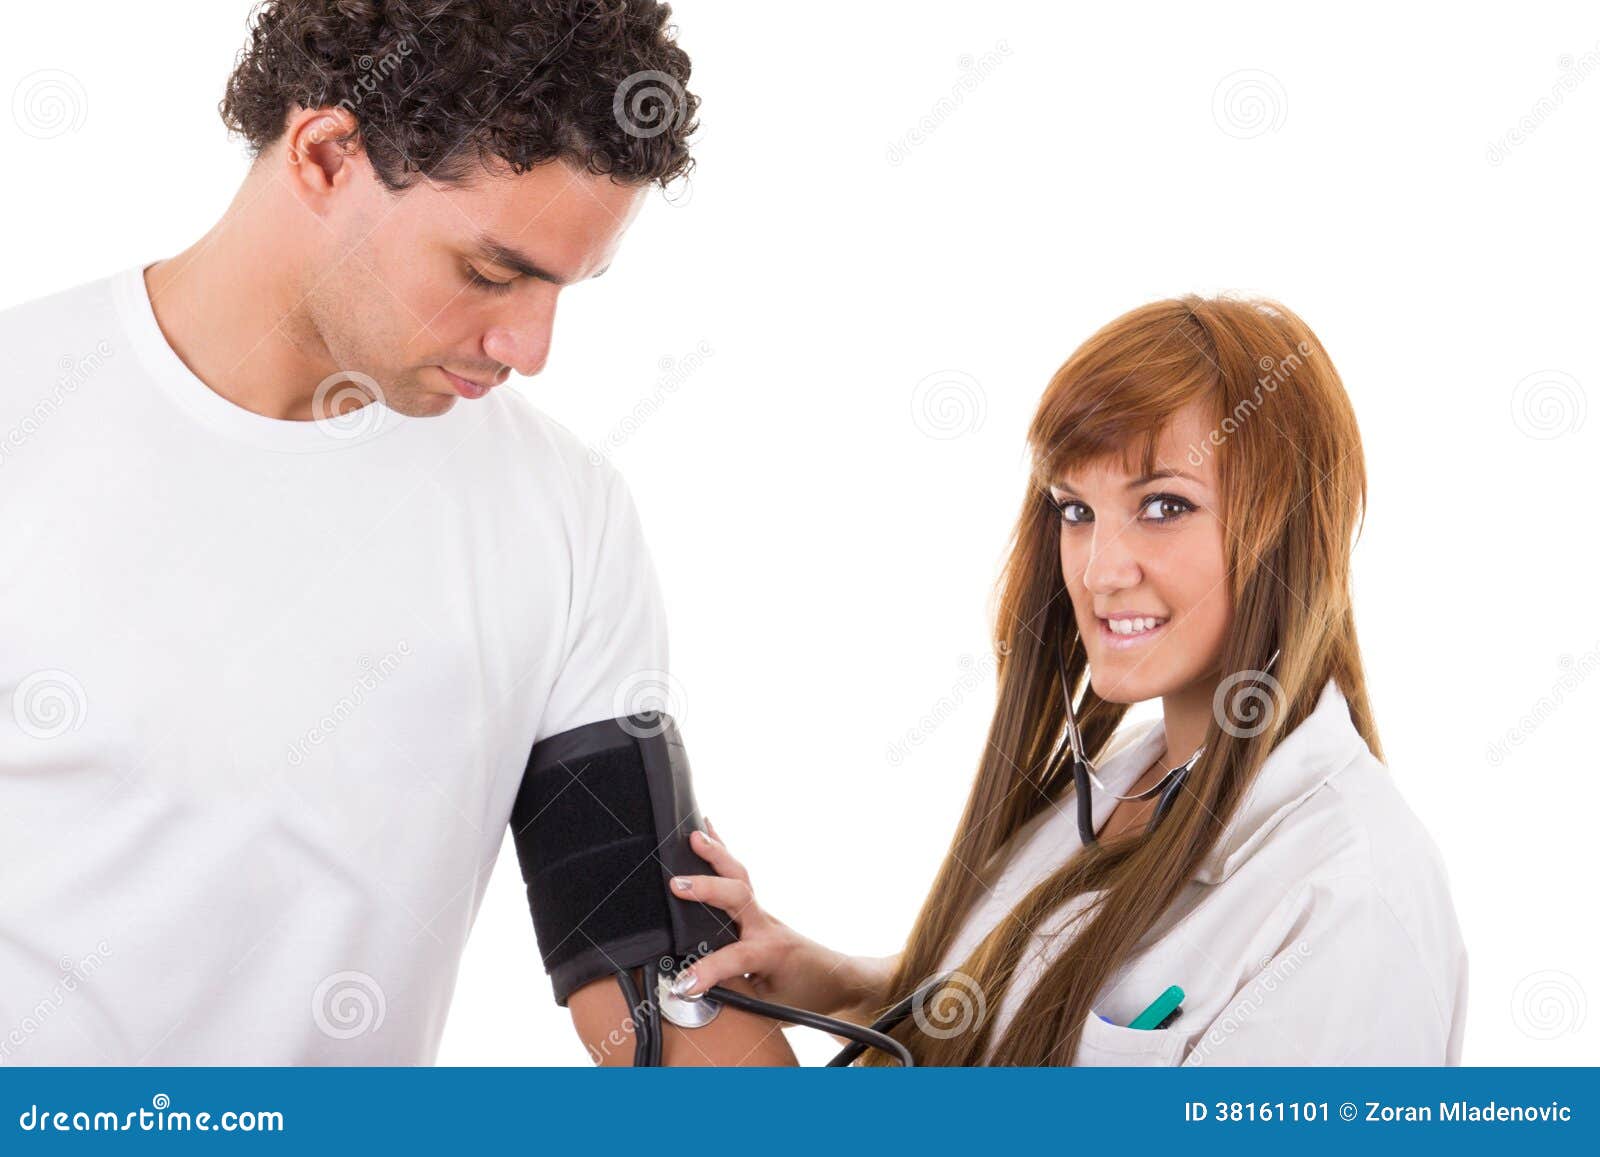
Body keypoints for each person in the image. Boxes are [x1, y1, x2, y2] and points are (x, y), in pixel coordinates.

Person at [0, 0, 790, 1066]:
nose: (530, 346)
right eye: (490, 272)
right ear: (327, 154)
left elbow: (652, 975)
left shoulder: (564, 513)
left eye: (564, 288)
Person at [670, 296, 1469, 1065]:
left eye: (1163, 505)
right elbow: (1030, 1001)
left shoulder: (1353, 900)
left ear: (1288, 532)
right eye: (1075, 509)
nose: (1097, 571)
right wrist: (829, 976)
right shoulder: (1118, 783)